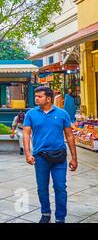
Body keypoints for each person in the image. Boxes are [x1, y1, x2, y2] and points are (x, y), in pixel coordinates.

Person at [23, 86, 78, 224]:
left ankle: (60, 217)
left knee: (60, 187)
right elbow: (26, 133)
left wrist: (74, 158)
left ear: (48, 98)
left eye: (39, 96)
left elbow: (70, 136)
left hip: (59, 156)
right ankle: (45, 213)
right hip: (40, 157)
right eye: (36, 96)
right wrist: (28, 153)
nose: (36, 98)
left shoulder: (62, 113)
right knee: (42, 187)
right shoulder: (31, 114)